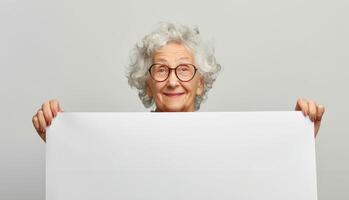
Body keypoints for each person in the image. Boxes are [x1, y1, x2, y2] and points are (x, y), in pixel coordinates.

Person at [32, 22, 325, 142]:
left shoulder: (226, 139)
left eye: (184, 70)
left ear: (201, 82)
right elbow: (90, 179)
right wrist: (58, 139)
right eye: (161, 70)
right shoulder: (121, 140)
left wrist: (298, 135)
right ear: (146, 84)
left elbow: (261, 175)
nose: (173, 81)